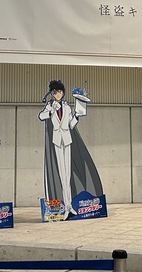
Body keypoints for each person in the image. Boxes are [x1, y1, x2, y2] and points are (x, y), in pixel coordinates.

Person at [39, 79, 103, 214]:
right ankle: (65, 206)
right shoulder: (50, 105)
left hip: (67, 140)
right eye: (55, 92)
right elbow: (41, 116)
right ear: (52, 93)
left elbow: (71, 125)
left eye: (60, 92)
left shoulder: (67, 107)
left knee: (67, 175)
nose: (58, 94)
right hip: (57, 141)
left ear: (63, 93)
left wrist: (77, 115)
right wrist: (51, 111)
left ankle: (69, 206)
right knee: (62, 175)